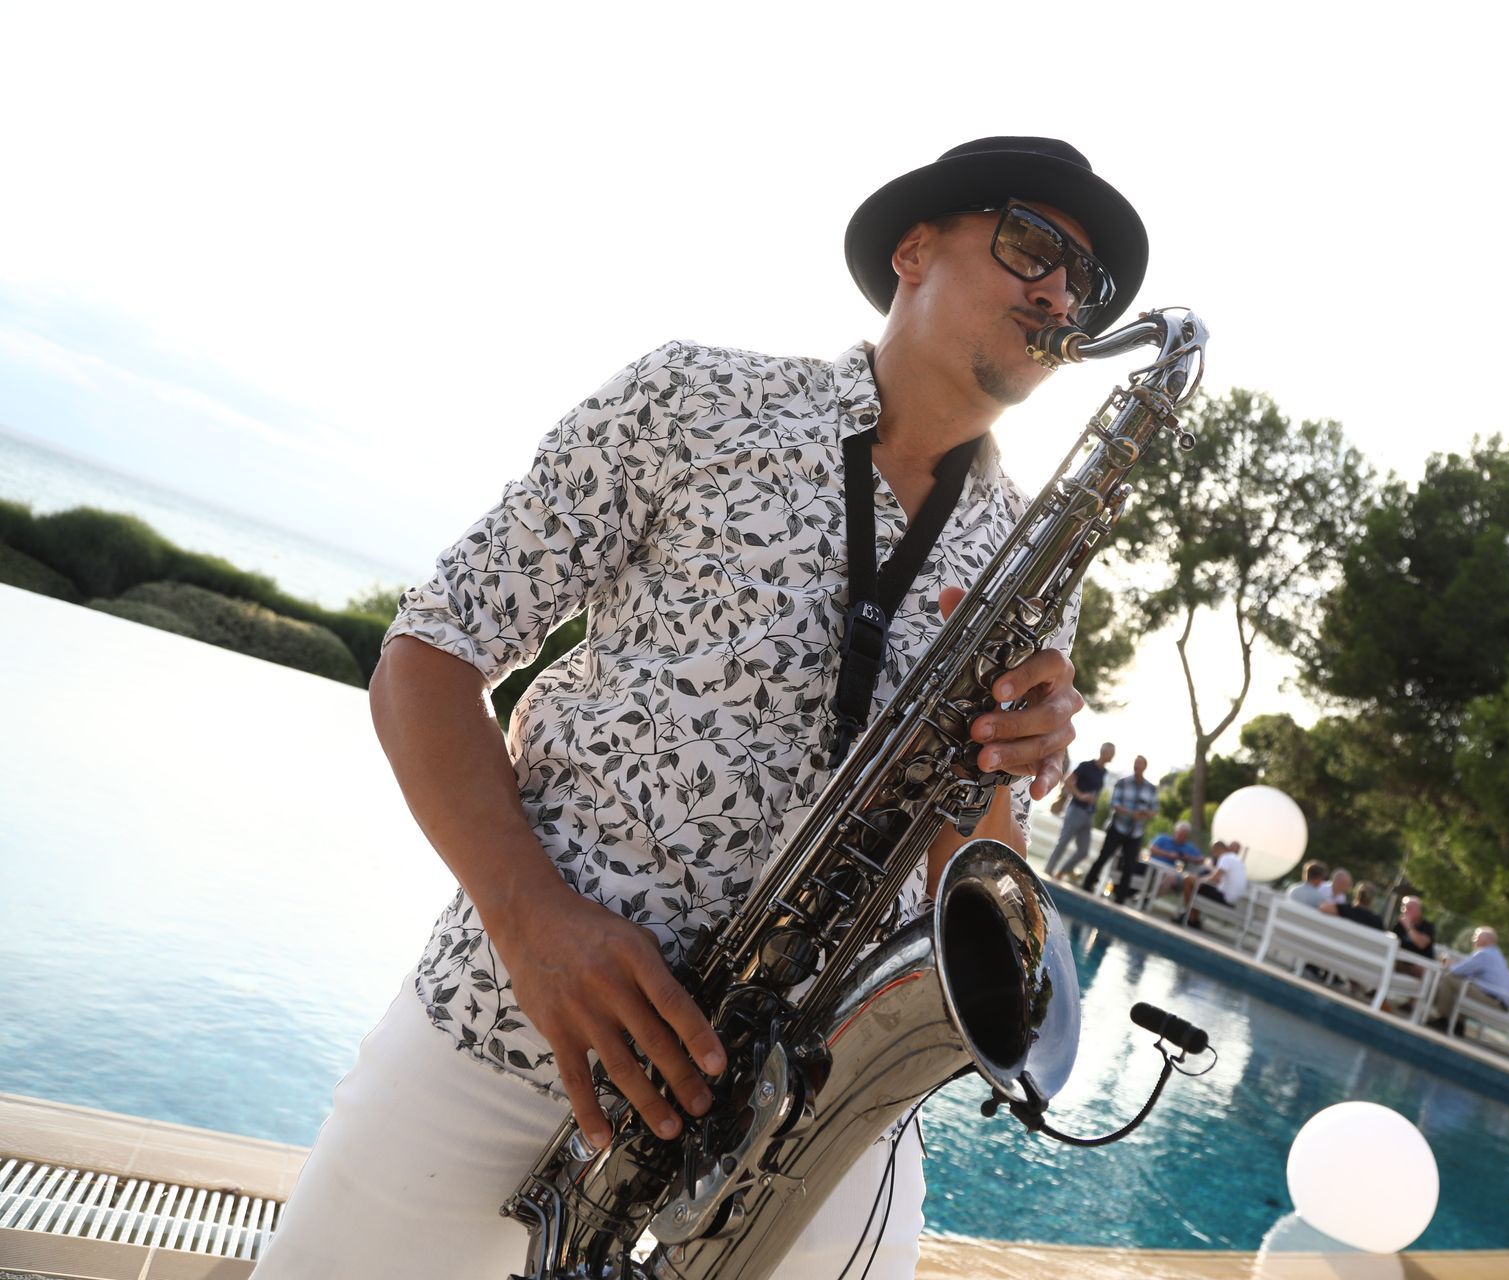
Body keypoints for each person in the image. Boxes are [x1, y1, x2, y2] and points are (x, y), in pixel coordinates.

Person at [253, 136, 1151, 1280]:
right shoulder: (694, 396)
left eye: (1089, 282)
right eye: (1034, 243)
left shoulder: (1038, 562)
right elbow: (427, 652)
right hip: (513, 1033)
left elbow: (967, 867)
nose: (1063, 291)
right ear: (913, 250)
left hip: (799, 1121)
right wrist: (532, 923)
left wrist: (1012, 762)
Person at [1079, 754, 1157, 902]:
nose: (1137, 766)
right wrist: (1130, 813)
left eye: (1140, 764)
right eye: (1135, 763)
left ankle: (1120, 898)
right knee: (1104, 856)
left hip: (1136, 833)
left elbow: (1154, 810)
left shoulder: (1151, 788)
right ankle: (1088, 884)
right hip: (1117, 827)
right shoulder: (1123, 783)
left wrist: (1144, 814)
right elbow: (1114, 804)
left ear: (1144, 767)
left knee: (1129, 865)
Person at [1043, 741, 1115, 878]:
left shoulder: (1104, 772)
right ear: (1104, 752)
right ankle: (1048, 871)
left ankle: (1061, 872)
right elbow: (1068, 780)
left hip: (1088, 814)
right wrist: (1081, 795)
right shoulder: (1086, 766)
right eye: (1112, 752)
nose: (1113, 756)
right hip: (1076, 810)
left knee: (1083, 851)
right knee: (1063, 843)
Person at [1430, 926, 1509, 1029]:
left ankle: (1443, 1019)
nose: (1473, 939)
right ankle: (1458, 1025)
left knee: (1449, 978)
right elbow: (1465, 972)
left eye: (1476, 936)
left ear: (1486, 940)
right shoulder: (1496, 954)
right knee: (1464, 984)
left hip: (1494, 1003)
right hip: (1500, 1004)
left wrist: (1447, 963)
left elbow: (1457, 971)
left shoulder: (1485, 954)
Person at [1180, 840, 1248, 928]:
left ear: (1217, 849)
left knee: (1188, 879)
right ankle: (1192, 918)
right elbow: (1219, 879)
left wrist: (1199, 881)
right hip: (1233, 899)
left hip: (1225, 898)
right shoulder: (1236, 860)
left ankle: (1191, 917)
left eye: (1213, 851)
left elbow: (1214, 879)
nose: (1213, 854)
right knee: (1196, 885)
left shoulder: (1226, 858)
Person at [1319, 881, 1383, 930]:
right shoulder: (1376, 922)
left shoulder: (1344, 910)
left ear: (1356, 895)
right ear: (1372, 899)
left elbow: (1323, 907)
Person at [1392, 895, 1436, 960]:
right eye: (1404, 907)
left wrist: (1408, 926)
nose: (1405, 911)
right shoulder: (1400, 925)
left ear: (1419, 910)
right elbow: (1393, 941)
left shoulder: (1428, 926)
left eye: (1409, 908)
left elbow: (1422, 944)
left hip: (1421, 963)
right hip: (1401, 960)